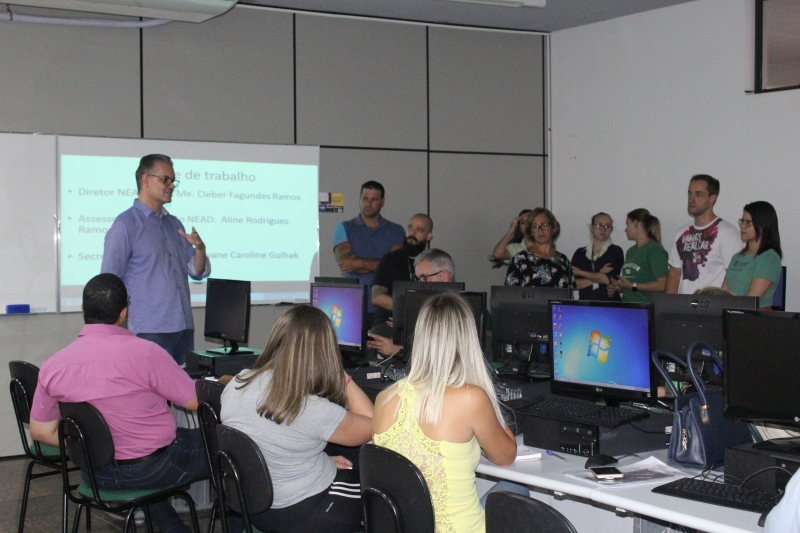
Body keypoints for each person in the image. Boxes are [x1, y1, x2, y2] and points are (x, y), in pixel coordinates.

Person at [29, 273, 207, 533]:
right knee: (230, 444)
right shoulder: (147, 353)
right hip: (154, 469)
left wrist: (92, 446)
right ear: (124, 312)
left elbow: (41, 431)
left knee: (147, 463)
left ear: (83, 309)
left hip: (95, 473)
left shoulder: (53, 366)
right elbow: (196, 402)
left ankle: (174, 529)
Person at [372, 292, 520, 533]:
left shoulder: (384, 399)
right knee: (517, 489)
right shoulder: (471, 398)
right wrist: (491, 402)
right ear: (468, 339)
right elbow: (506, 456)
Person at [220, 305, 373, 533]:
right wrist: (342, 375)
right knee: (380, 493)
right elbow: (374, 426)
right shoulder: (307, 407)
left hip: (254, 506)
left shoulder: (238, 382)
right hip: (303, 511)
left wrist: (316, 462)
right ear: (324, 353)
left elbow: (267, 443)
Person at [101, 154, 210, 365]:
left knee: (184, 385)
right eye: (166, 180)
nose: (171, 186)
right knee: (150, 387)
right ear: (145, 179)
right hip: (149, 330)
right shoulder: (126, 225)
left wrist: (200, 249)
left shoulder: (174, 224)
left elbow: (196, 271)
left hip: (183, 327)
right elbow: (110, 280)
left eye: (173, 181)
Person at [332, 181, 406, 315]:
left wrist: (359, 263)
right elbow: (346, 263)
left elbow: (395, 267)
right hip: (351, 305)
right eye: (365, 198)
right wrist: (383, 265)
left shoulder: (396, 230)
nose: (368, 203)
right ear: (359, 200)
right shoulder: (343, 228)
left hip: (386, 306)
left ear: (382, 202)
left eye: (374, 199)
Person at [367, 248, 455, 358]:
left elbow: (444, 355)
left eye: (424, 278)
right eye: (419, 280)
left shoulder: (456, 310)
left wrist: (399, 350)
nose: (420, 286)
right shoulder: (432, 305)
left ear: (444, 276)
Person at [665, 175, 741, 294]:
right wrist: (669, 303)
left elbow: (733, 276)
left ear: (712, 199)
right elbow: (675, 273)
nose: (692, 199)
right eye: (690, 194)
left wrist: (719, 302)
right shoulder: (681, 233)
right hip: (684, 304)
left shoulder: (727, 233)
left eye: (699, 194)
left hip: (712, 303)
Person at [371, 213, 434, 327]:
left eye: (419, 230)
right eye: (410, 228)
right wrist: (412, 308)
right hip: (388, 322)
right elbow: (377, 297)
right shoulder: (390, 259)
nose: (412, 233)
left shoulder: (434, 262)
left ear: (429, 236)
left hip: (422, 325)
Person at [722, 201, 782, 308]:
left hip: (754, 316)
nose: (742, 227)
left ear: (762, 226)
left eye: (748, 223)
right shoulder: (737, 257)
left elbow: (750, 302)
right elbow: (723, 294)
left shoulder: (769, 258)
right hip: (732, 313)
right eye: (742, 221)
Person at [608, 209, 669, 303]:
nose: (625, 229)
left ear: (636, 223)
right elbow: (632, 285)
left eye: (627, 224)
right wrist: (620, 287)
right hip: (628, 305)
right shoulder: (630, 251)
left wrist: (632, 286)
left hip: (645, 306)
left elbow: (663, 285)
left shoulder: (654, 250)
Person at [505, 208, 574, 289]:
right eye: (535, 226)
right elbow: (509, 294)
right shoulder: (519, 260)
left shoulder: (563, 261)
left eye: (544, 224)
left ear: (553, 228)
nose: (540, 230)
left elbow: (569, 293)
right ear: (531, 232)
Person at [570, 212, 624, 300]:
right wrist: (599, 274)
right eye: (599, 225)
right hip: (585, 304)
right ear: (591, 228)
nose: (603, 229)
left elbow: (607, 279)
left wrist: (581, 272)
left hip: (609, 304)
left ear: (611, 230)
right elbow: (573, 284)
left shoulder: (615, 251)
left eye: (607, 226)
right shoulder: (580, 253)